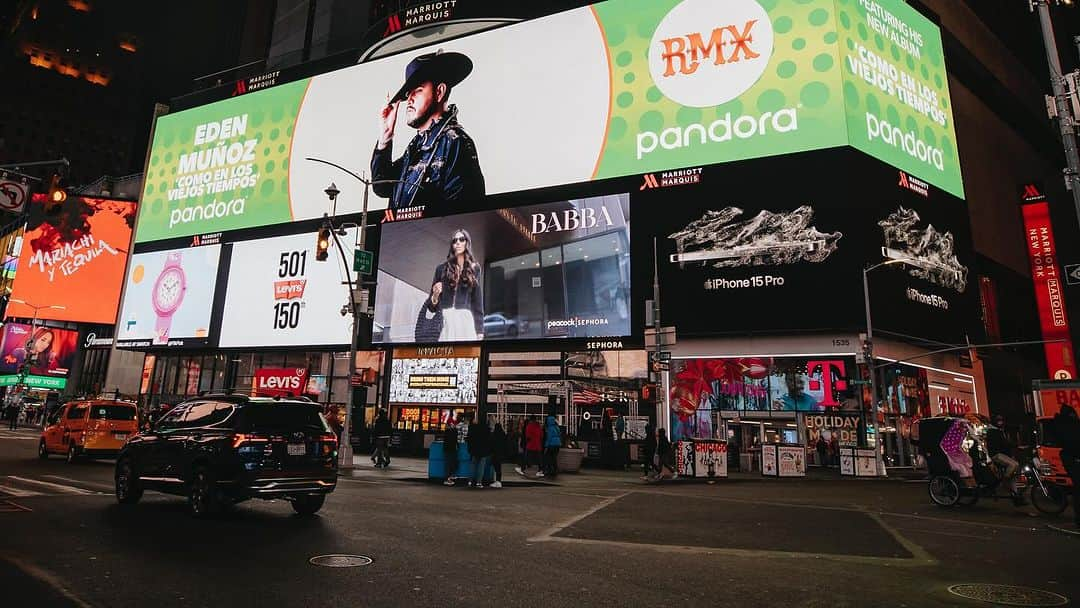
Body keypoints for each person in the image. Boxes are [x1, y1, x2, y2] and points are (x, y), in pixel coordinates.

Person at [370, 50, 485, 214]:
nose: (409, 99)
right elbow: (381, 187)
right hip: (402, 239)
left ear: (439, 92)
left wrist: (403, 220)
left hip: (429, 239)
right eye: (408, 93)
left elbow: (463, 216)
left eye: (417, 90)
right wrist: (385, 136)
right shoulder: (417, 146)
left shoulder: (456, 143)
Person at [421, 229, 484, 342]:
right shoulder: (441, 269)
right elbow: (431, 307)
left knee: (465, 357)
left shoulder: (474, 268)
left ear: (467, 242)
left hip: (465, 321)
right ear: (452, 245)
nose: (458, 243)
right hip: (445, 321)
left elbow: (477, 301)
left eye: (461, 239)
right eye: (455, 241)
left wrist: (480, 330)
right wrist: (435, 295)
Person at [986, 415, 1024, 505]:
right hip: (996, 454)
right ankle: (1004, 480)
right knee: (1014, 465)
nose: (1001, 423)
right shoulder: (992, 431)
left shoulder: (1000, 431)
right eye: (999, 421)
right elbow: (1003, 444)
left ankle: (1015, 496)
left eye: (1001, 421)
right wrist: (1015, 445)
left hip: (1003, 454)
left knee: (1014, 475)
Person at [1053, 405, 1080, 530]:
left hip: (1071, 457)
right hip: (1072, 458)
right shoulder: (1068, 425)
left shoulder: (1064, 424)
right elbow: (1072, 442)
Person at [466, 416, 492, 488]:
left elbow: (469, 438)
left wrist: (470, 449)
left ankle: (470, 481)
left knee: (473, 465)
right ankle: (479, 482)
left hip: (474, 450)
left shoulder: (474, 428)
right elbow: (489, 440)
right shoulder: (486, 428)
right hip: (483, 451)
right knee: (481, 467)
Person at [442, 419, 459, 486]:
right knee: (449, 464)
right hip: (451, 449)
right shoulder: (450, 431)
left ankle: (449, 478)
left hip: (449, 449)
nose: (454, 425)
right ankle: (447, 479)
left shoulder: (447, 431)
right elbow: (454, 437)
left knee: (450, 464)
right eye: (453, 424)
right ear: (451, 424)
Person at [490, 422, 506, 489]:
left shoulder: (494, 435)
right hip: (501, 453)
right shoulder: (503, 434)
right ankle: (498, 481)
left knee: (496, 468)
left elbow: (492, 444)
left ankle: (498, 481)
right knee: (499, 467)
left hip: (495, 453)